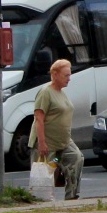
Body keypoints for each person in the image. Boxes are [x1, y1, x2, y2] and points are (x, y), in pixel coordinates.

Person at [33, 59, 83, 200]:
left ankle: (71, 195)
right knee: (48, 167)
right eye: (66, 75)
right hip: (48, 142)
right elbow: (39, 118)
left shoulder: (62, 93)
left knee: (76, 157)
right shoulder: (45, 92)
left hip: (63, 140)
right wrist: (42, 142)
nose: (69, 79)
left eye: (69, 75)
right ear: (55, 74)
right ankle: (43, 200)